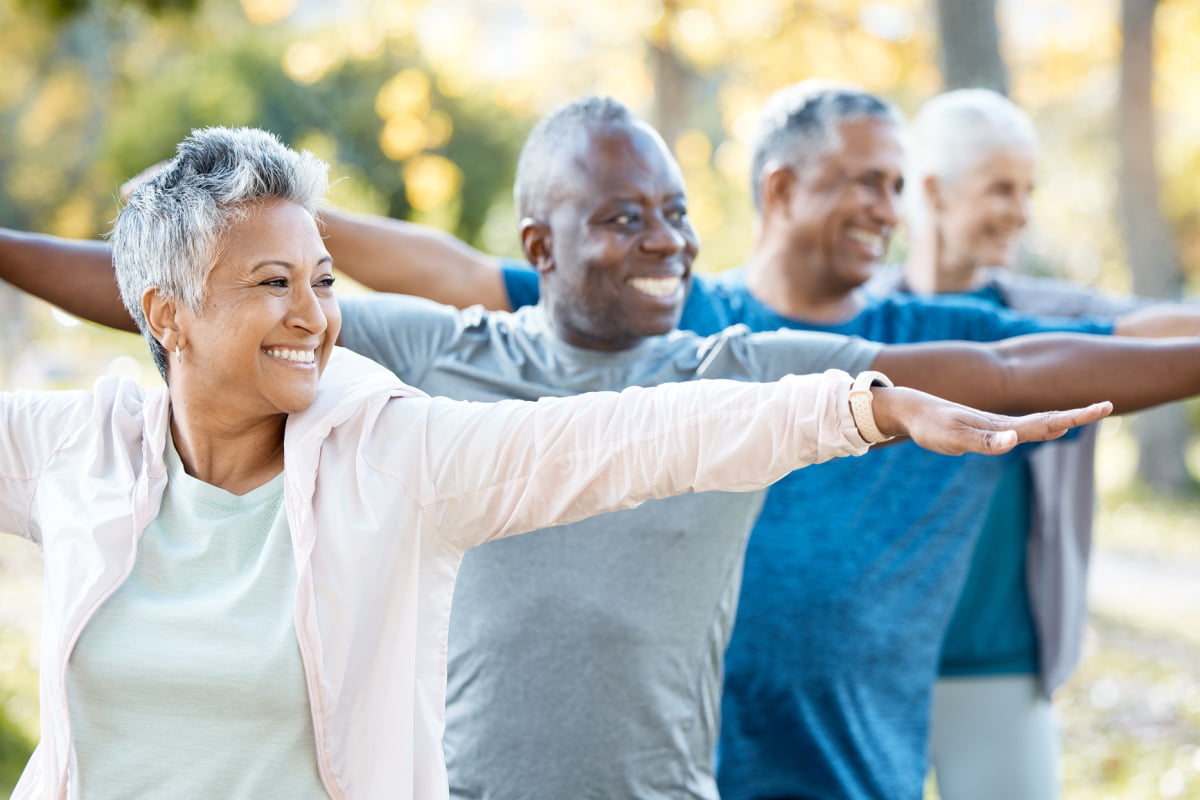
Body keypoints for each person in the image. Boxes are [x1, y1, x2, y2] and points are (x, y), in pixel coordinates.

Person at [3, 100, 1200, 800]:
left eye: (677, 213)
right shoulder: (433, 363)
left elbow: (1015, 363)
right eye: (624, 217)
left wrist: (874, 401)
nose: (664, 240)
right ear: (540, 241)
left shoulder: (723, 367)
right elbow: (178, 301)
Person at [863, 88, 1163, 800]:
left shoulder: (1049, 318)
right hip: (867, 662)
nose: (1022, 212)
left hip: (998, 656)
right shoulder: (859, 318)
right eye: (1002, 188)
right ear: (934, 191)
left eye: (1028, 189)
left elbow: (1157, 325)